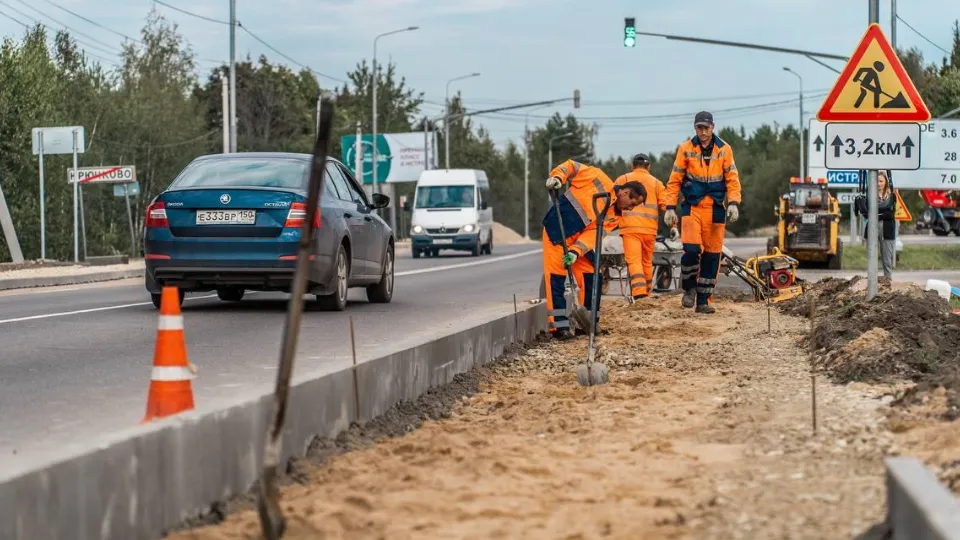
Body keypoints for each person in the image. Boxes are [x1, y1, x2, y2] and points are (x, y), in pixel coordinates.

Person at [542, 159, 647, 339]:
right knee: (557, 277)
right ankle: (559, 327)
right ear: (625, 192)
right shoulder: (598, 178)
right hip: (557, 231)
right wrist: (557, 177)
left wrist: (575, 252)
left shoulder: (615, 217)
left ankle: (589, 322)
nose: (631, 208)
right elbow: (572, 166)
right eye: (632, 203)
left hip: (577, 242)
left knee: (594, 274)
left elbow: (592, 236)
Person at [663, 111, 742, 314]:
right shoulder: (686, 149)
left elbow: (732, 178)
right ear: (695, 128)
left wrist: (733, 202)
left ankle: (704, 300)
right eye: (700, 128)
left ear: (713, 127)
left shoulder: (724, 149)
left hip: (715, 208)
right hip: (692, 206)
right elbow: (674, 180)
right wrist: (670, 207)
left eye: (706, 127)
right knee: (691, 249)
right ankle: (689, 289)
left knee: (712, 256)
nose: (703, 131)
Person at [613, 153, 671, 300]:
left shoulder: (623, 179)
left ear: (632, 166)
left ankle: (639, 294)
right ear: (649, 167)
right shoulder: (657, 183)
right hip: (650, 230)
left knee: (634, 261)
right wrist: (674, 225)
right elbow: (666, 206)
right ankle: (647, 293)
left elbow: (612, 201)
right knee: (646, 262)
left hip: (630, 228)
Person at [856, 169, 897, 279]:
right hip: (872, 229)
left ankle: (888, 282)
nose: (878, 184)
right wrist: (879, 213)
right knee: (871, 258)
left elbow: (890, 214)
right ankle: (871, 282)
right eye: (876, 181)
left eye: (881, 181)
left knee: (887, 259)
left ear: (886, 182)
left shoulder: (891, 196)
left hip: (887, 231)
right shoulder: (868, 195)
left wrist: (875, 214)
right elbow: (866, 213)